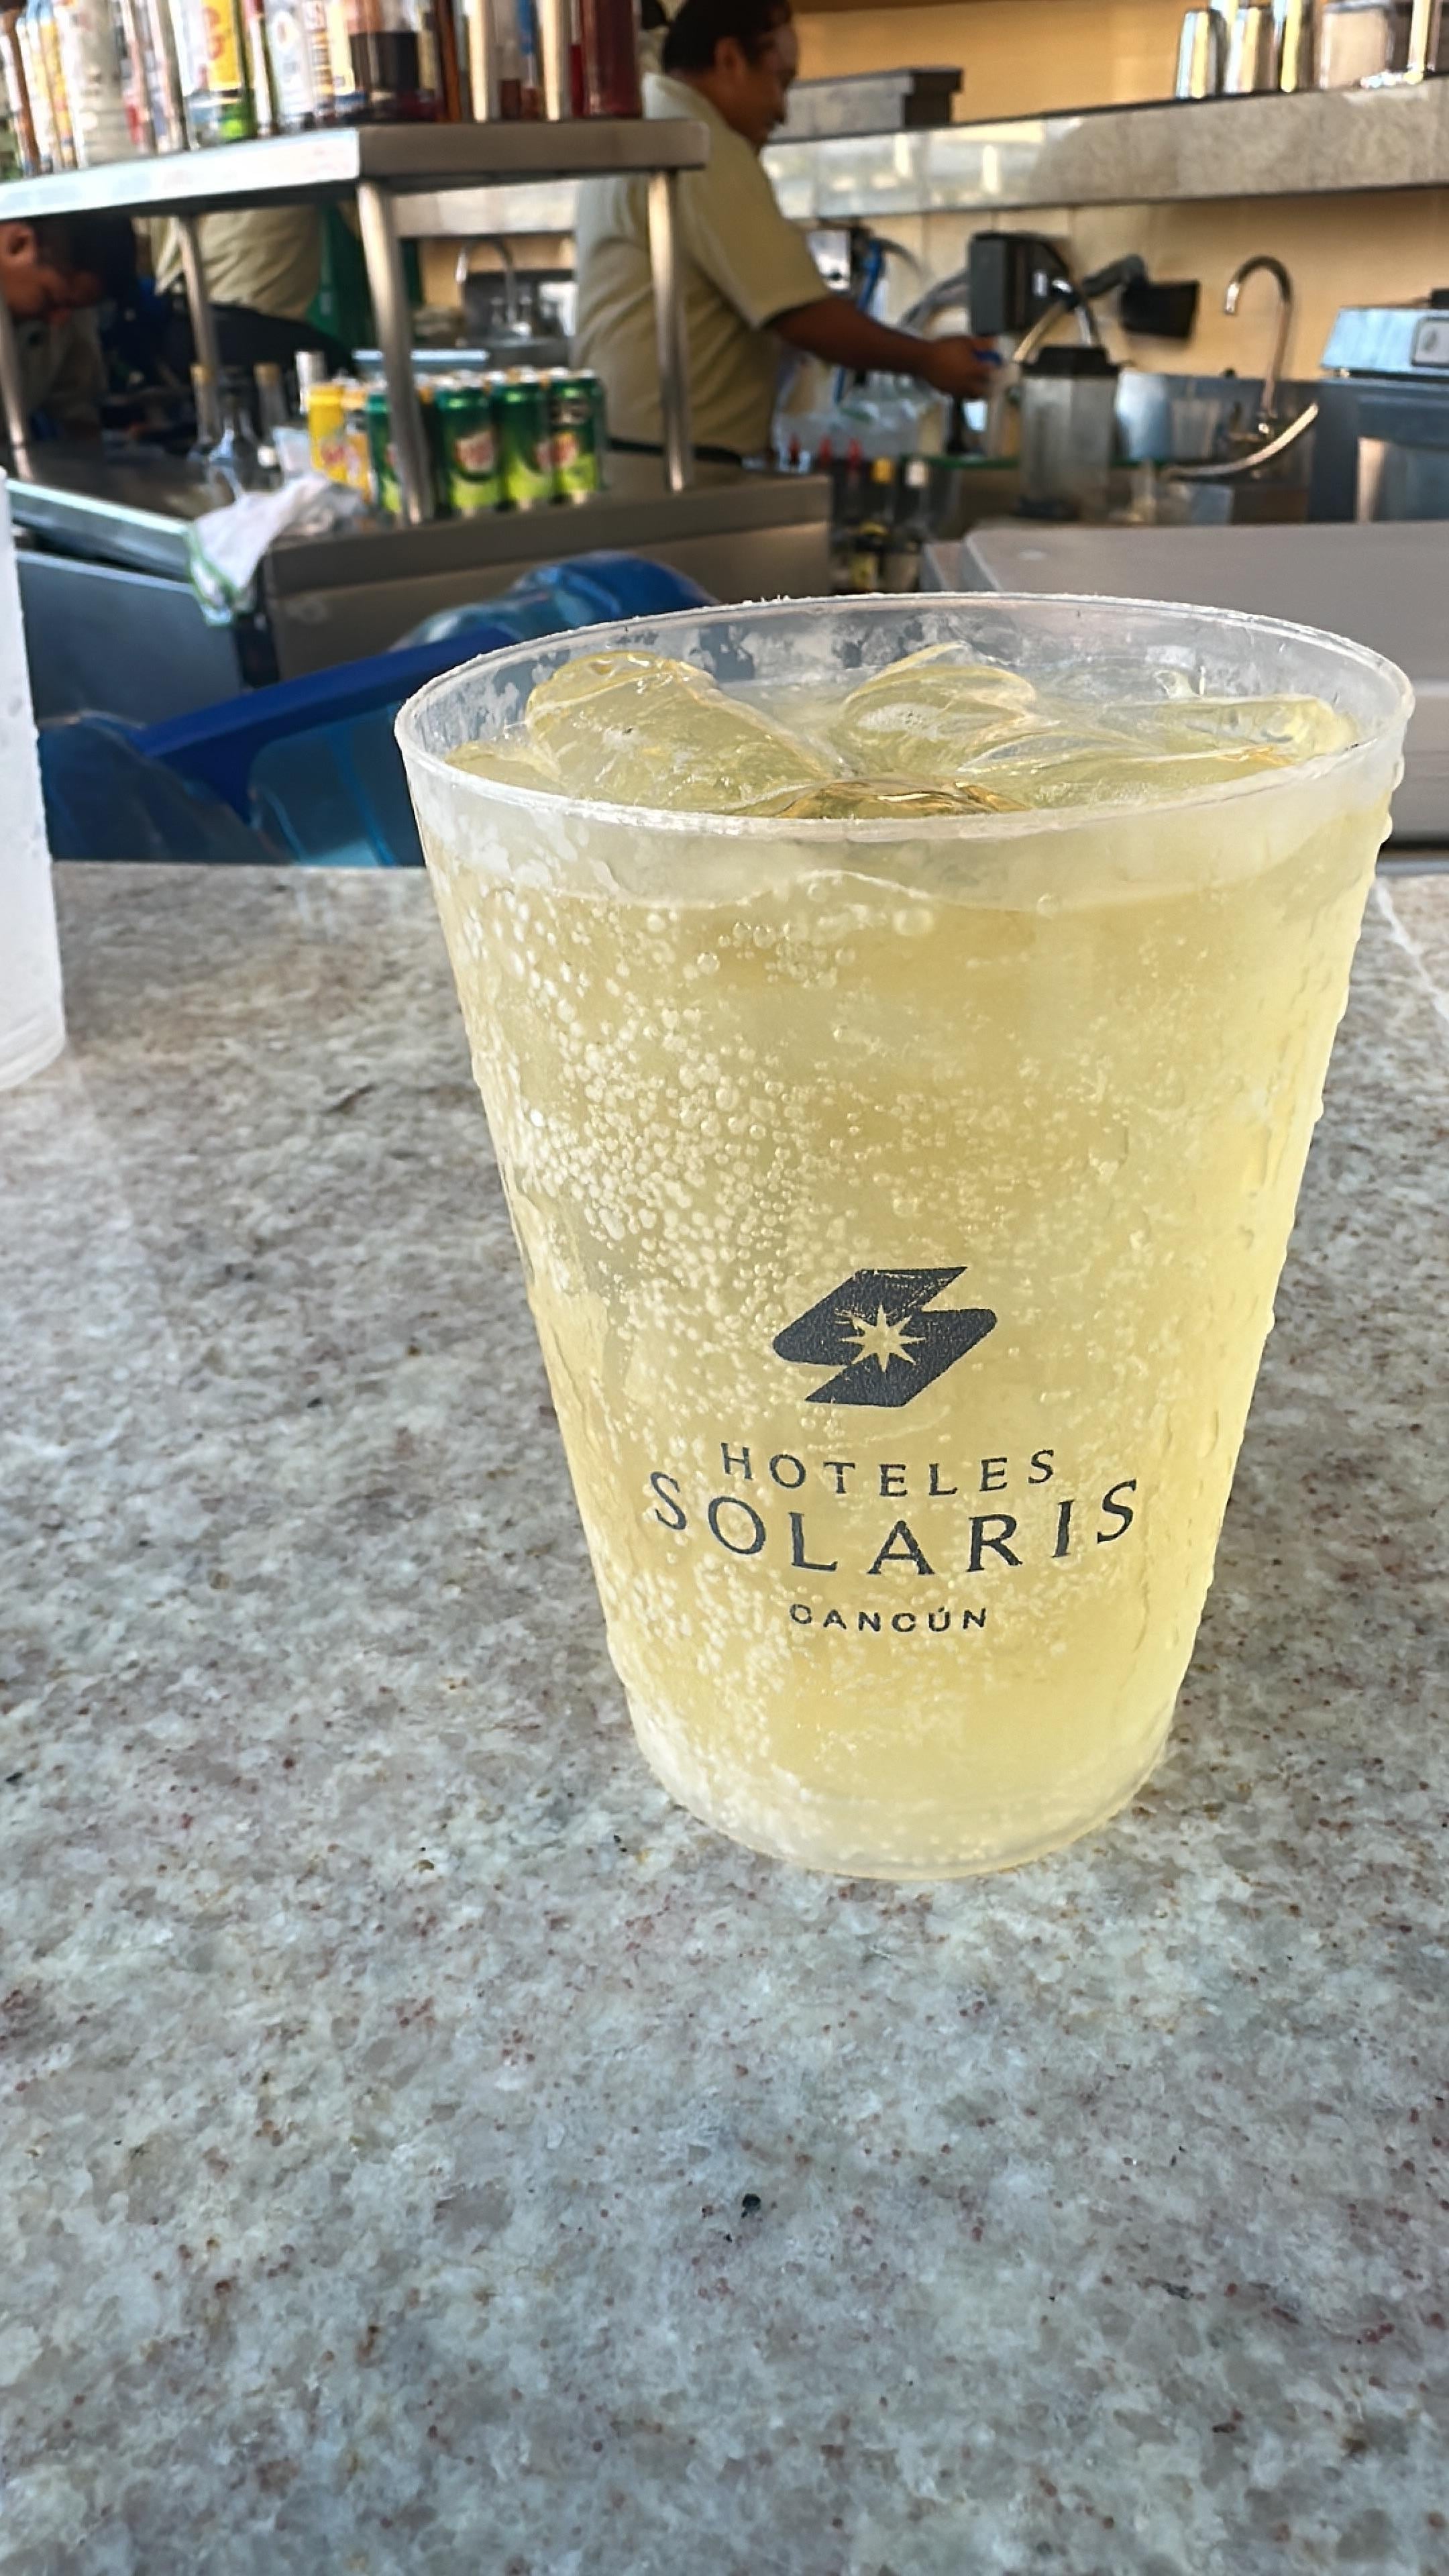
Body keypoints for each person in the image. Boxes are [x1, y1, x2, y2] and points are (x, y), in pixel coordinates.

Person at [573, 0, 994, 462]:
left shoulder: (647, 121)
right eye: (779, 80)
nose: (782, 109)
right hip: (672, 461)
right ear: (730, 59)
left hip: (628, 451)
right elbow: (799, 316)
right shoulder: (696, 142)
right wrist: (928, 360)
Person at [1, 218, 109, 439]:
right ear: (18, 245)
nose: (59, 320)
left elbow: (77, 409)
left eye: (73, 308)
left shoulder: (72, 319)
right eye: (50, 299)